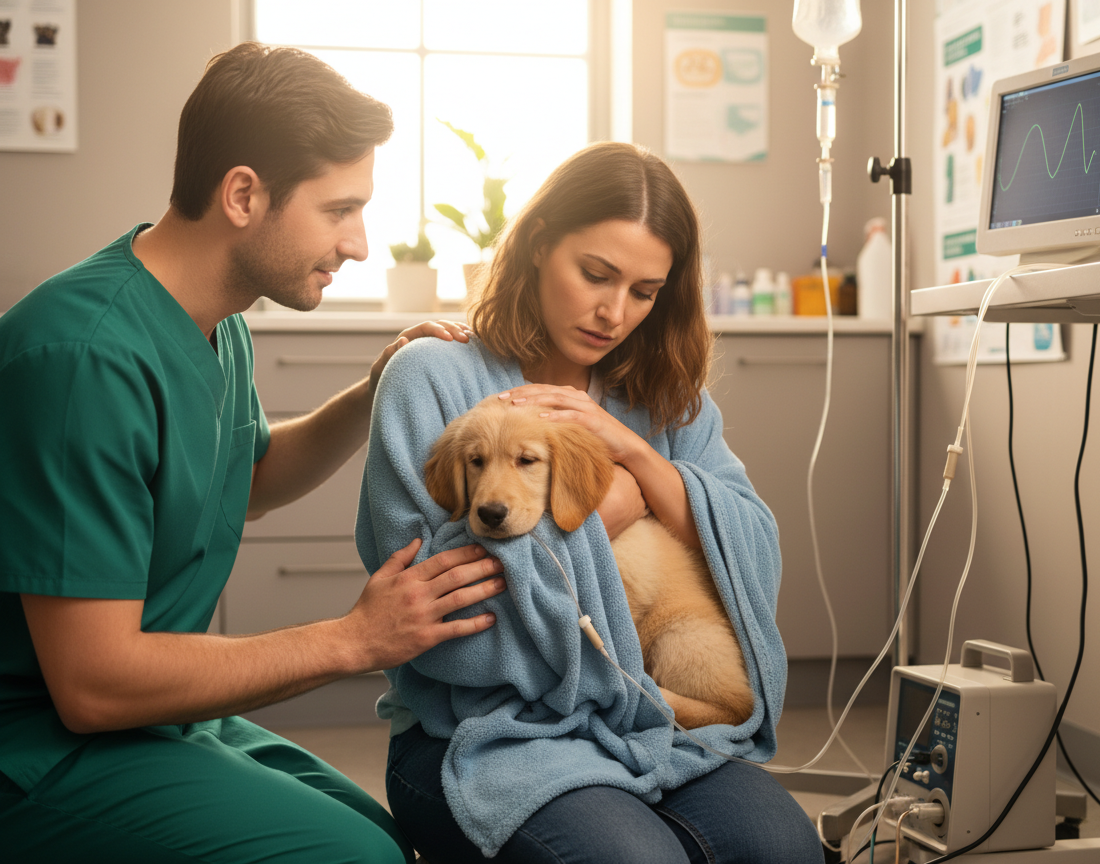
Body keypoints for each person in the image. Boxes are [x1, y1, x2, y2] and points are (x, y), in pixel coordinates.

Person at [0, 42, 507, 863]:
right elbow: (92, 685)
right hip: (40, 744)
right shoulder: (81, 357)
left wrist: (375, 389)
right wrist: (356, 638)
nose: (360, 245)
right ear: (243, 194)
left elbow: (250, 478)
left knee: (385, 833)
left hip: (154, 713)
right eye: (339, 210)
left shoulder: (214, 317)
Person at [357, 142, 824, 863]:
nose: (614, 312)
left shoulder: (669, 404)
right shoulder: (433, 377)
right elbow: (426, 596)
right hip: (481, 732)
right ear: (540, 245)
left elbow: (753, 549)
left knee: (780, 848)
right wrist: (610, 515)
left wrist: (635, 460)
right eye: (596, 274)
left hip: (653, 722)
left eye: (644, 291)